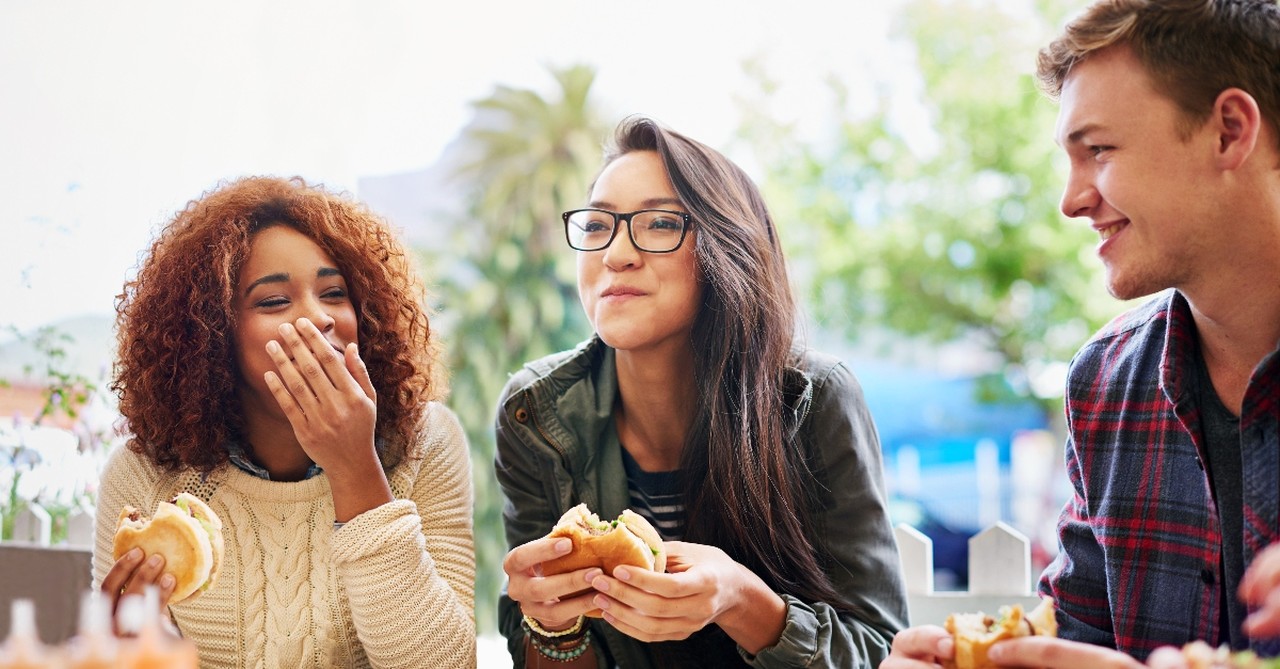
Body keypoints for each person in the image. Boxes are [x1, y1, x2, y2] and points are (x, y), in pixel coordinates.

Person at [884, 0, 1280, 667]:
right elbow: (1076, 642)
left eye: (1097, 150)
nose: (1071, 199)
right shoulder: (1104, 381)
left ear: (1229, 131)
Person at [493, 115, 907, 669]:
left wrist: (740, 600)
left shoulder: (816, 400)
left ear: (726, 249)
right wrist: (553, 625)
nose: (615, 254)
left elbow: (880, 652)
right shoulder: (534, 413)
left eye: (659, 223)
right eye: (596, 225)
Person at [93, 176, 477, 668]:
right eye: (274, 301)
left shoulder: (425, 443)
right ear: (211, 335)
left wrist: (355, 466)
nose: (318, 319)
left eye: (335, 293)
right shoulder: (143, 478)